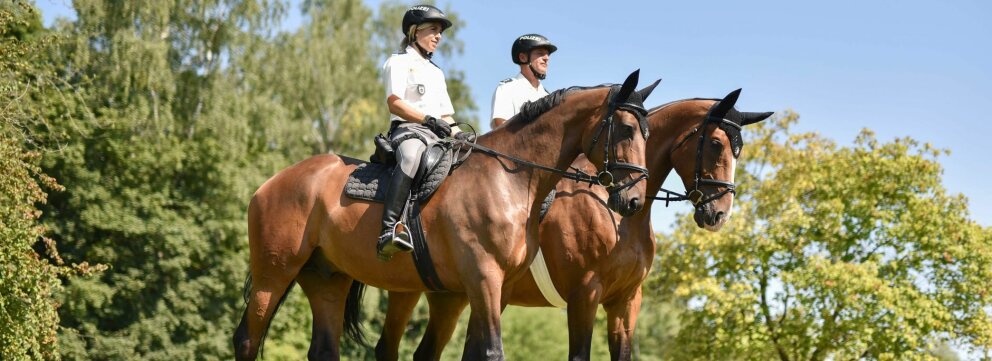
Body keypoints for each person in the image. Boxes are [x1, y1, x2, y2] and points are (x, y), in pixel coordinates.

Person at [377, 5, 468, 261]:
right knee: (411, 157)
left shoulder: (436, 72)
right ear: (415, 31)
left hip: (437, 135)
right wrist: (427, 119)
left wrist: (459, 134)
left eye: (440, 32)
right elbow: (394, 102)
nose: (439, 36)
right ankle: (389, 228)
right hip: (407, 131)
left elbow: (446, 116)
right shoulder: (398, 62)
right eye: (433, 30)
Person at [490, 34, 558, 129]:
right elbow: (499, 127)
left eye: (547, 54)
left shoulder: (547, 96)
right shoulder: (507, 88)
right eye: (540, 53)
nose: (547, 58)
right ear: (523, 57)